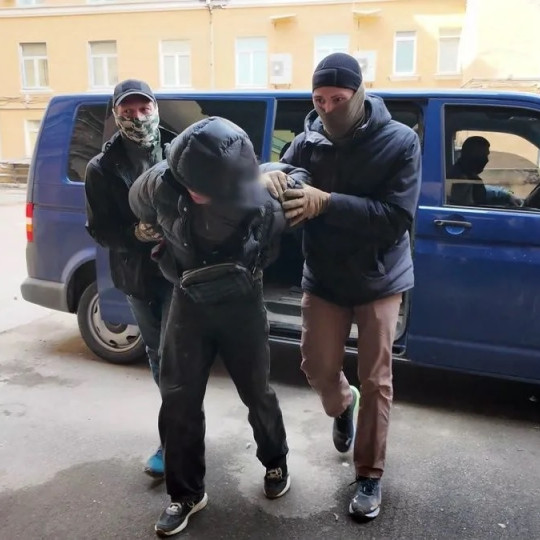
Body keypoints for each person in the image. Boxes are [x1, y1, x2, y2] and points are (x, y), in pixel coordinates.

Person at [261, 53, 422, 521]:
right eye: (319, 99)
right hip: (325, 276)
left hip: (379, 276)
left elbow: (396, 218)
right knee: (316, 365)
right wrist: (274, 175)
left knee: (376, 379)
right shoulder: (307, 139)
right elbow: (290, 172)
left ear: (359, 94)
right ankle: (341, 404)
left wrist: (328, 203)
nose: (328, 108)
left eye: (338, 98)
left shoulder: (400, 141)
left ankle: (369, 474)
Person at [129, 117, 304, 537]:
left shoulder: (262, 201)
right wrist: (147, 228)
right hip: (187, 300)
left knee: (256, 391)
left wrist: (283, 180)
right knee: (178, 397)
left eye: (205, 187)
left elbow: (297, 178)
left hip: (242, 302)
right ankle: (186, 493)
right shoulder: (161, 183)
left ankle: (276, 460)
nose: (195, 192)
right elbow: (137, 201)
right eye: (189, 183)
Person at [85, 79, 175, 478]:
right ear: (116, 115)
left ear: (155, 108)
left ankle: (178, 435)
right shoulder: (102, 168)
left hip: (181, 269)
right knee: (158, 355)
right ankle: (176, 436)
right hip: (139, 275)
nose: (137, 117)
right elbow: (99, 229)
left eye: (143, 108)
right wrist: (134, 233)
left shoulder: (180, 149)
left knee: (176, 354)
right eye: (127, 111)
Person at [448, 136, 522, 207]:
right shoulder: (461, 181)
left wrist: (508, 193)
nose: (487, 160)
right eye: (484, 156)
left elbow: (488, 190)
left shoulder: (469, 176)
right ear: (475, 157)